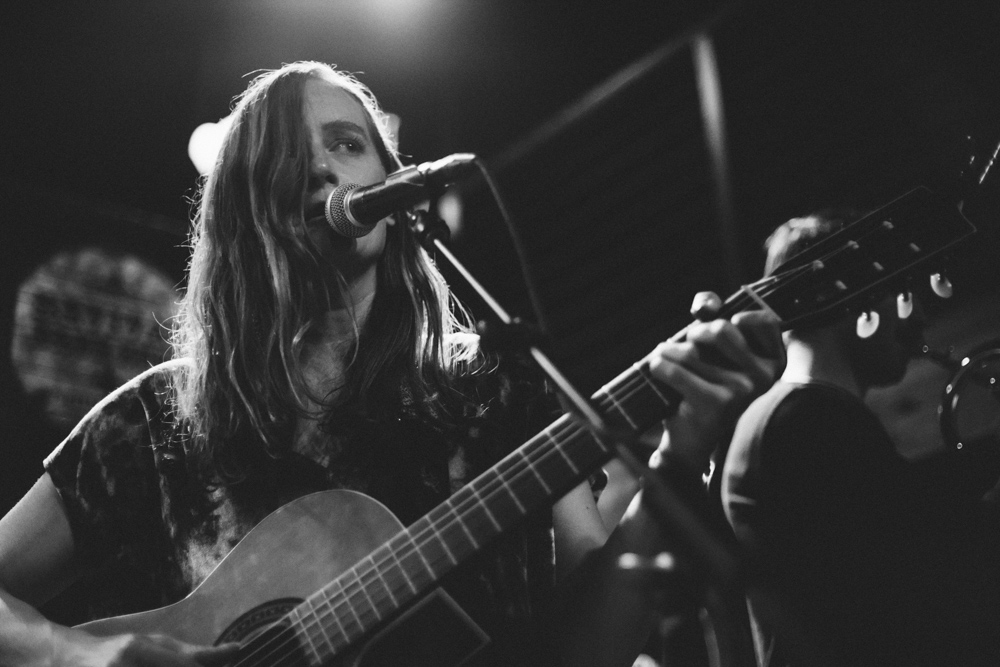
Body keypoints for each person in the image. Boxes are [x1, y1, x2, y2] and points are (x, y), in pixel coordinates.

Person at [0, 61, 784, 667]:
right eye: (285, 155)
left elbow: (589, 647)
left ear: (394, 189)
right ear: (242, 210)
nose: (322, 168)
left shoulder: (491, 389)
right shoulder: (152, 423)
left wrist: (682, 454)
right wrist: (84, 654)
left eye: (347, 143)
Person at [721, 211, 998, 666]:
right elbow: (928, 578)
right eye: (902, 296)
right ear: (859, 301)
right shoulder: (807, 420)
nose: (919, 316)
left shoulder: (795, 416)